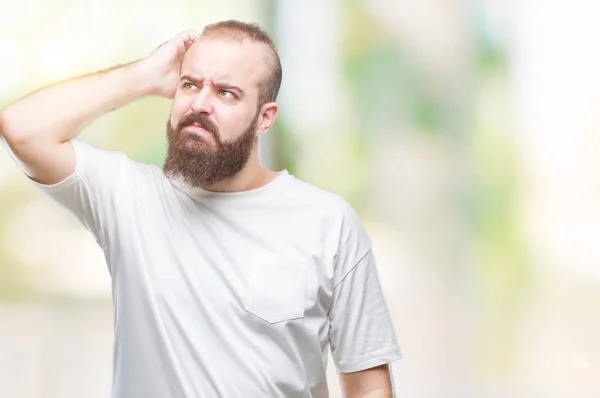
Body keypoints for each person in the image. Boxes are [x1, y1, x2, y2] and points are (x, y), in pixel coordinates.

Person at [0, 20, 401, 398]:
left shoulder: (328, 222)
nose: (200, 105)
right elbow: (22, 127)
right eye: (190, 85)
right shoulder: (128, 199)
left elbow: (369, 385)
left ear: (265, 118)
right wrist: (142, 76)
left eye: (226, 93)